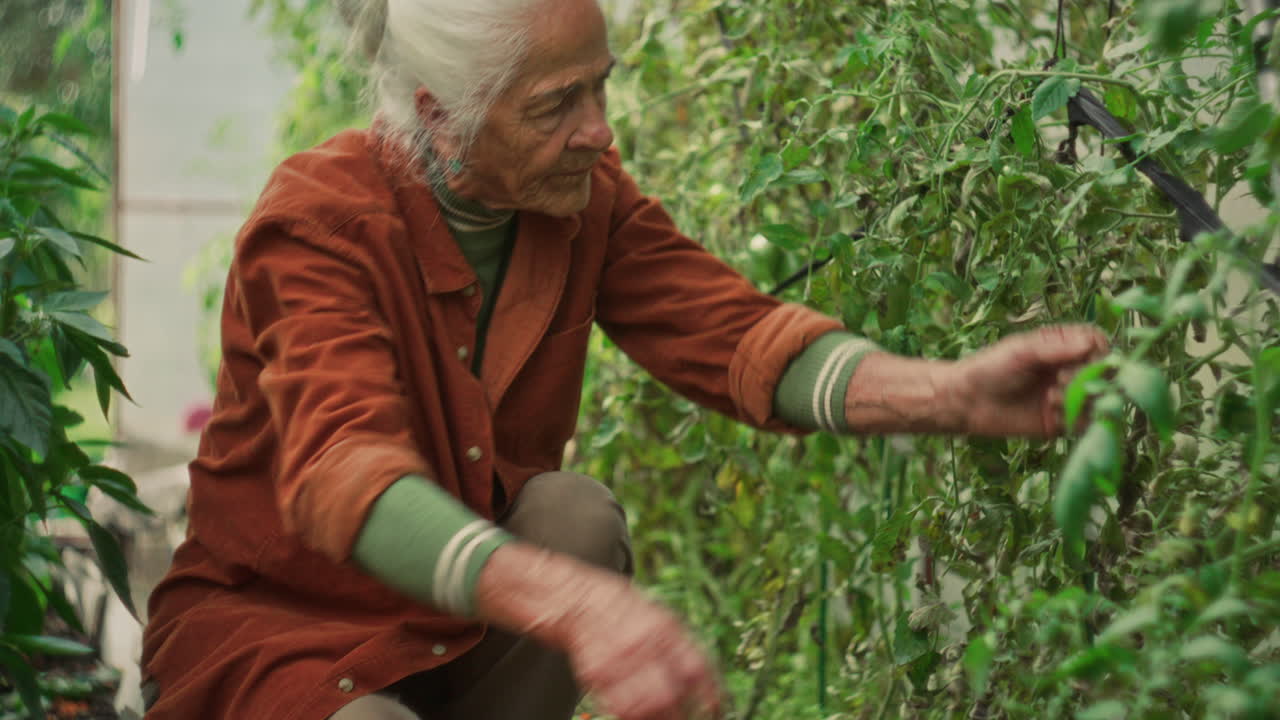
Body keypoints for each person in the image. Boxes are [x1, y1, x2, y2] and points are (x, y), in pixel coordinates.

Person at [139, 0, 1109, 717]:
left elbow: (729, 331)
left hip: (451, 627)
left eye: (600, 85)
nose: (598, 130)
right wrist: (573, 605)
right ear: (440, 116)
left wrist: (950, 393)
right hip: (284, 642)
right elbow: (342, 473)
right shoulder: (321, 221)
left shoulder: (581, 198)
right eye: (558, 103)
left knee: (570, 514)